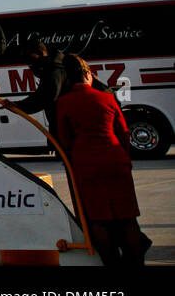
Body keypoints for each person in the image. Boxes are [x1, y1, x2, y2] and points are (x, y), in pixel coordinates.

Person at [56, 53, 151, 265]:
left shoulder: (63, 103)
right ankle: (135, 261)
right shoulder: (107, 98)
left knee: (98, 218)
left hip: (86, 163)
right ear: (88, 75)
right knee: (128, 217)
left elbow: (65, 139)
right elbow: (123, 133)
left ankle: (110, 262)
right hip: (115, 159)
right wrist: (123, 157)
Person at [10, 39, 66, 141]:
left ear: (41, 53)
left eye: (30, 60)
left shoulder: (54, 69)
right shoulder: (57, 65)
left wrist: (18, 106)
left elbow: (46, 96)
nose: (30, 65)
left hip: (66, 131)